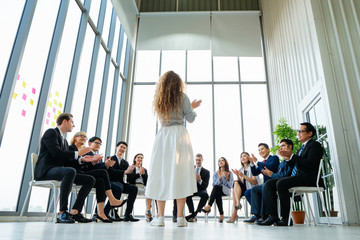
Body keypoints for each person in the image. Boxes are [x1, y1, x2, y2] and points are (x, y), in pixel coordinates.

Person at [145, 70, 201, 227]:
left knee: (160, 173)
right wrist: (192, 108)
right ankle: (181, 218)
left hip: (163, 135)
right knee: (181, 174)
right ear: (178, 83)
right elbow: (190, 118)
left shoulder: (159, 98)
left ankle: (160, 217)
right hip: (179, 135)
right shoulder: (183, 97)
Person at [34, 113, 98, 223]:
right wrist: (77, 153)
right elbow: (56, 153)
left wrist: (81, 159)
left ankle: (75, 211)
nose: (73, 125)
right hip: (46, 171)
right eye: (72, 122)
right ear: (64, 121)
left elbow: (65, 159)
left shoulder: (64, 141)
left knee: (90, 179)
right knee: (70, 171)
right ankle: (62, 212)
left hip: (58, 170)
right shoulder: (51, 132)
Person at [261, 122, 323, 226]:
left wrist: (292, 156)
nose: (298, 133)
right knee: (269, 184)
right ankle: (273, 216)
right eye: (298, 131)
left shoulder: (315, 145)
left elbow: (310, 164)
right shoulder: (301, 149)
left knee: (281, 183)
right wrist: (288, 158)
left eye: (301, 131)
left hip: (310, 178)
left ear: (310, 133)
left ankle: (286, 218)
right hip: (300, 177)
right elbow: (296, 165)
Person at [69, 135, 127, 222]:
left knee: (101, 181)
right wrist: (101, 164)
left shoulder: (95, 155)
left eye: (100, 144)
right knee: (103, 174)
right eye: (96, 143)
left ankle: (100, 212)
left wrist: (104, 165)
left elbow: (94, 169)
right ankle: (112, 199)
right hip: (80, 175)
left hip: (89, 176)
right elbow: (83, 166)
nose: (98, 145)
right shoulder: (84, 151)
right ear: (89, 143)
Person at [257, 139, 294, 225]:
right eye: (280, 146)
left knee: (271, 184)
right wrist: (272, 174)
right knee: (268, 185)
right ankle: (273, 216)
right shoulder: (282, 163)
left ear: (290, 147)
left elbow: (285, 176)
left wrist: (271, 174)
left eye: (283, 146)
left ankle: (284, 218)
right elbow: (279, 175)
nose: (281, 148)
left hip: (289, 183)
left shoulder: (292, 160)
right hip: (281, 183)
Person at [244, 143, 279, 223]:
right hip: (265, 185)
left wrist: (257, 162)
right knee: (248, 192)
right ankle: (258, 214)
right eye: (259, 150)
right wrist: (252, 164)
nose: (260, 151)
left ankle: (264, 215)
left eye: (262, 149)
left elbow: (271, 166)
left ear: (268, 149)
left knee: (259, 188)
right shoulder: (262, 163)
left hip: (273, 184)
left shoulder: (274, 158)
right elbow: (255, 173)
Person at [105, 141, 140, 222]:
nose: (122, 149)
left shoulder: (125, 162)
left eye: (124, 148)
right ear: (116, 147)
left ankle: (127, 214)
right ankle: (106, 212)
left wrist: (131, 172)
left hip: (120, 183)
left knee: (133, 188)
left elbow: (128, 177)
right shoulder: (110, 158)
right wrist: (124, 172)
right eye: (121, 147)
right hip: (110, 182)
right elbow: (110, 172)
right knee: (118, 187)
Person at [227, 152, 258, 223]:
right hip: (244, 188)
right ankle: (238, 203)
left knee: (234, 192)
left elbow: (254, 182)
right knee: (235, 183)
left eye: (244, 156)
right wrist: (238, 175)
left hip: (251, 188)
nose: (243, 158)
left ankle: (234, 215)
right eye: (241, 157)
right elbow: (241, 183)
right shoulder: (241, 169)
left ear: (249, 158)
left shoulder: (252, 167)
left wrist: (243, 175)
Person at [202, 157, 234, 223]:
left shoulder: (229, 173)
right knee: (217, 192)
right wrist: (219, 178)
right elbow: (213, 184)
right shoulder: (216, 173)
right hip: (217, 191)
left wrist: (227, 178)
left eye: (222, 160)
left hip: (225, 191)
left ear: (225, 162)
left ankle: (209, 206)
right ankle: (221, 215)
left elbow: (230, 185)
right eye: (219, 161)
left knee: (217, 188)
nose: (221, 162)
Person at [127, 153, 153, 222]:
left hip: (143, 186)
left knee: (150, 190)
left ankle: (148, 211)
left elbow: (147, 182)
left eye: (141, 158)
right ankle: (148, 213)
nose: (140, 159)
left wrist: (144, 175)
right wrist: (139, 174)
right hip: (135, 186)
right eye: (138, 157)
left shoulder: (144, 170)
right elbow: (129, 179)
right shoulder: (131, 168)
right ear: (135, 159)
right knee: (141, 190)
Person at [184, 154, 210, 222]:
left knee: (205, 195)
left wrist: (200, 180)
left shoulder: (206, 172)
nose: (198, 161)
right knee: (186, 194)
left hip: (201, 190)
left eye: (199, 160)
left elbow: (205, 186)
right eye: (196, 160)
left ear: (202, 160)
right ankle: (192, 213)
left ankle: (194, 214)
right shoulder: (190, 169)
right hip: (192, 190)